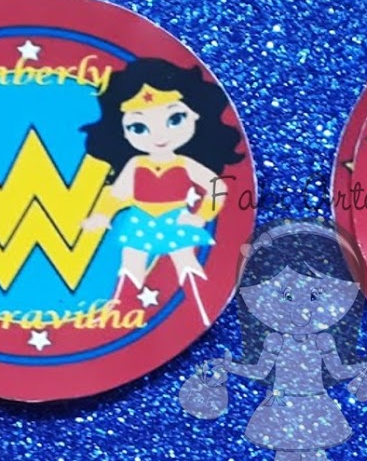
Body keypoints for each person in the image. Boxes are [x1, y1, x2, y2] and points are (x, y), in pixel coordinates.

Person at [184, 221, 367, 461]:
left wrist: (366, 367)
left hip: (315, 402)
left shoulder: (323, 340)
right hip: (282, 403)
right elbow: (260, 371)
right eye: (286, 296)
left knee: (313, 453)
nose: (301, 309)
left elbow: (337, 371)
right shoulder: (274, 340)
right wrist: (231, 366)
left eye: (314, 296)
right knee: (286, 453)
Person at [81, 58, 245, 320]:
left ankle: (200, 312)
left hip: (175, 219)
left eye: (175, 118)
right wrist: (102, 215)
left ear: (196, 115)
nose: (159, 136)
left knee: (186, 264)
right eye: (138, 127)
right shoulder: (135, 164)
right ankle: (120, 313)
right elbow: (117, 194)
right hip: (140, 221)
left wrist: (201, 215)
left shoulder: (185, 163)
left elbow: (217, 186)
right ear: (121, 130)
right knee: (131, 265)